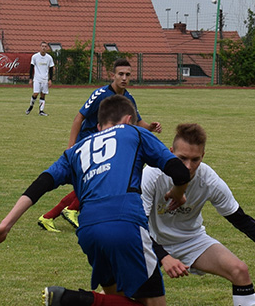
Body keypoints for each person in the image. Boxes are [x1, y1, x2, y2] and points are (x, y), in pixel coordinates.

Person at [39, 123, 255, 306]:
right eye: (182, 158)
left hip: (191, 240)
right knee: (114, 296)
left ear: (203, 156)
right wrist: (164, 257)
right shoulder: (151, 175)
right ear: (170, 152)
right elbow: (137, 225)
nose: (189, 166)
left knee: (239, 270)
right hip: (144, 239)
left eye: (195, 159)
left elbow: (238, 217)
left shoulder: (208, 179)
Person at [0, 95, 190, 306]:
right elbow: (180, 171)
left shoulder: (77, 149)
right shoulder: (134, 133)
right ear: (129, 120)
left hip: (89, 228)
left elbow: (42, 183)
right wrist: (179, 193)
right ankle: (68, 299)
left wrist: (6, 224)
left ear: (98, 126)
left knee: (111, 301)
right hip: (125, 223)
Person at [37, 58, 163, 233]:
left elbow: (137, 121)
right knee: (97, 181)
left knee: (95, 181)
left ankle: (51, 216)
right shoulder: (100, 94)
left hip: (107, 146)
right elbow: (79, 117)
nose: (124, 78)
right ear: (112, 75)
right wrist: (71, 146)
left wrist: (150, 127)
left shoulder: (128, 98)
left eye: (127, 75)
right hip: (88, 143)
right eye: (120, 74)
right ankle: (68, 210)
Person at [26, 42, 55, 116]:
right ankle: (31, 106)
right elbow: (31, 67)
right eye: (42, 46)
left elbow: (51, 69)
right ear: (40, 47)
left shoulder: (49, 58)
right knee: (36, 93)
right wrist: (30, 78)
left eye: (45, 46)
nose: (44, 48)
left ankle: (41, 111)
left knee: (43, 95)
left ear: (47, 48)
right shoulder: (35, 56)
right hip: (37, 79)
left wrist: (50, 79)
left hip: (45, 79)